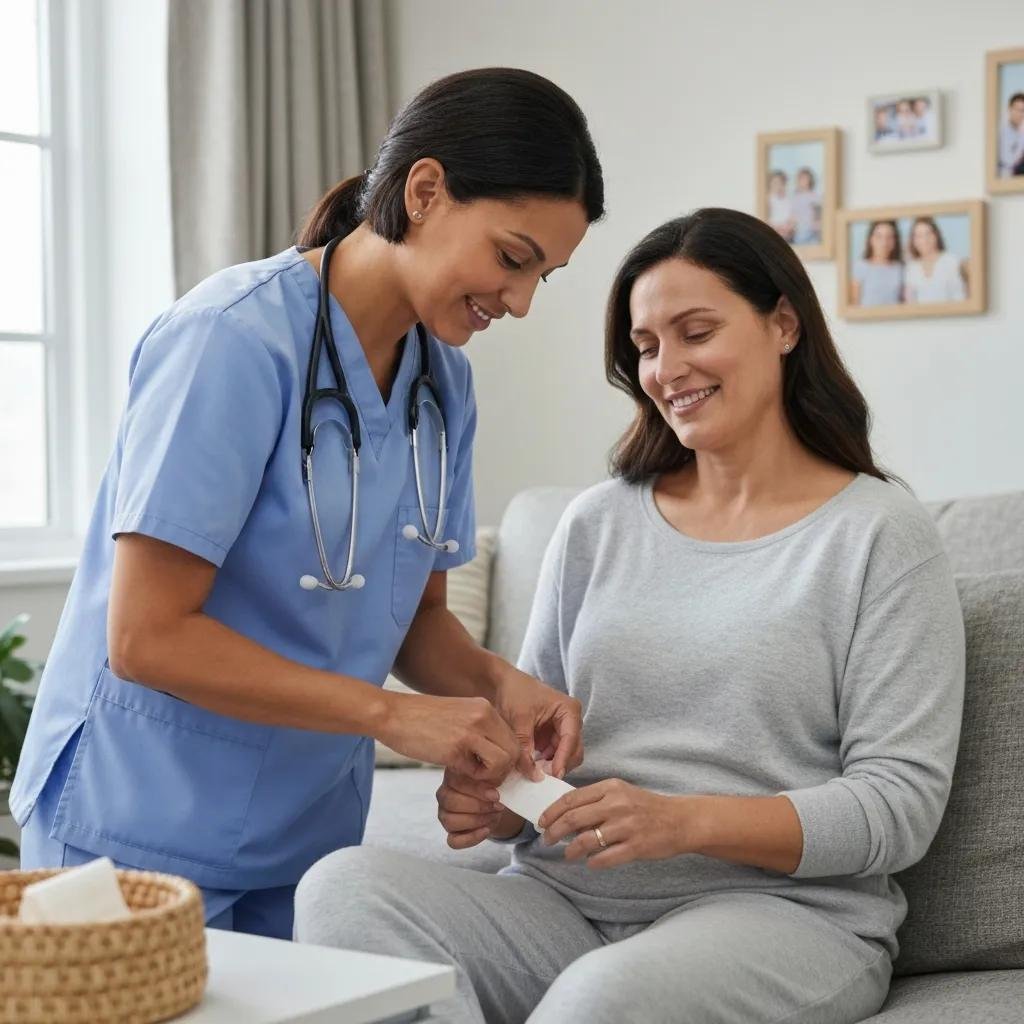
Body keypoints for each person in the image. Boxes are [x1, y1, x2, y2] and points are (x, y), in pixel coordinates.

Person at [293, 208, 965, 1024]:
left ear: (783, 324)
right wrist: (501, 799)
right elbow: (539, 745)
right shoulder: (597, 522)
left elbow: (898, 808)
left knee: (600, 1000)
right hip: (561, 904)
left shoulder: (880, 536)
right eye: (647, 346)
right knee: (343, 888)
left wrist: (679, 821)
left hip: (779, 920)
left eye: (695, 332)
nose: (667, 367)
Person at [12, 67, 603, 939]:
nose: (517, 301)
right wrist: (396, 718)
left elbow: (409, 616)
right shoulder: (231, 341)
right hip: (138, 824)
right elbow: (145, 636)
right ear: (426, 191)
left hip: (307, 841)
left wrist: (500, 687)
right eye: (512, 258)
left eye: (542, 277)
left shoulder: (446, 388)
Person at [904, 216, 966, 304]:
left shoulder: (951, 261)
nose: (924, 240)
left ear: (936, 235)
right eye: (919, 236)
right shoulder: (911, 267)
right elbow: (910, 302)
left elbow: (960, 296)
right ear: (913, 240)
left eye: (928, 234)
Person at [852, 219, 904, 307]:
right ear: (871, 239)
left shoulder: (900, 268)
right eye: (879, 236)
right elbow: (855, 303)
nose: (884, 243)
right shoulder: (860, 266)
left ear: (895, 241)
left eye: (889, 237)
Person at [790, 167, 822, 245]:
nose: (803, 181)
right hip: (799, 231)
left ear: (810, 180)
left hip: (812, 230)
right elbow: (793, 215)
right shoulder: (795, 197)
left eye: (806, 178)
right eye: (801, 178)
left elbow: (818, 213)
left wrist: (816, 224)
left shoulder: (815, 196)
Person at [998, 91, 1024, 178]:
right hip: (1004, 178)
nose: (1020, 114)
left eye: (1023, 111)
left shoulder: (1022, 136)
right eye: (1018, 110)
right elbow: (1007, 161)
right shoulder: (1000, 133)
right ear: (1009, 109)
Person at [766, 170, 793, 241]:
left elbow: (792, 218)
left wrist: (787, 228)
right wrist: (777, 228)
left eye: (780, 182)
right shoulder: (767, 199)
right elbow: (765, 219)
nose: (777, 185)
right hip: (772, 231)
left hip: (787, 233)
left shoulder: (789, 200)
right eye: (775, 182)